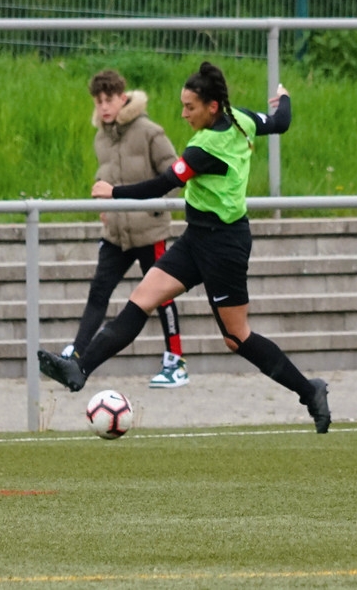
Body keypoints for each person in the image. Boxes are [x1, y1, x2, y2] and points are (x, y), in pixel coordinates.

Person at [38, 61, 331, 433]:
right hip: (197, 237)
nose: (183, 113)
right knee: (142, 299)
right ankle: (78, 368)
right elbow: (280, 122)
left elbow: (161, 185)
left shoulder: (205, 147)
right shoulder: (241, 117)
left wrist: (115, 193)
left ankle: (311, 392)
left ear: (211, 107)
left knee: (236, 337)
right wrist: (284, 100)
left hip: (225, 246)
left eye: (189, 107)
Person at [61, 69, 188, 388]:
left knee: (162, 296)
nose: (104, 106)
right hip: (116, 236)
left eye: (109, 99)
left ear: (123, 97)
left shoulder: (150, 132)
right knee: (98, 293)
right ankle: (76, 354)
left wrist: (153, 207)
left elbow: (174, 177)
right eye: (98, 101)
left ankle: (176, 362)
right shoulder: (100, 136)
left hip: (150, 232)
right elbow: (106, 175)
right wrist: (105, 205)